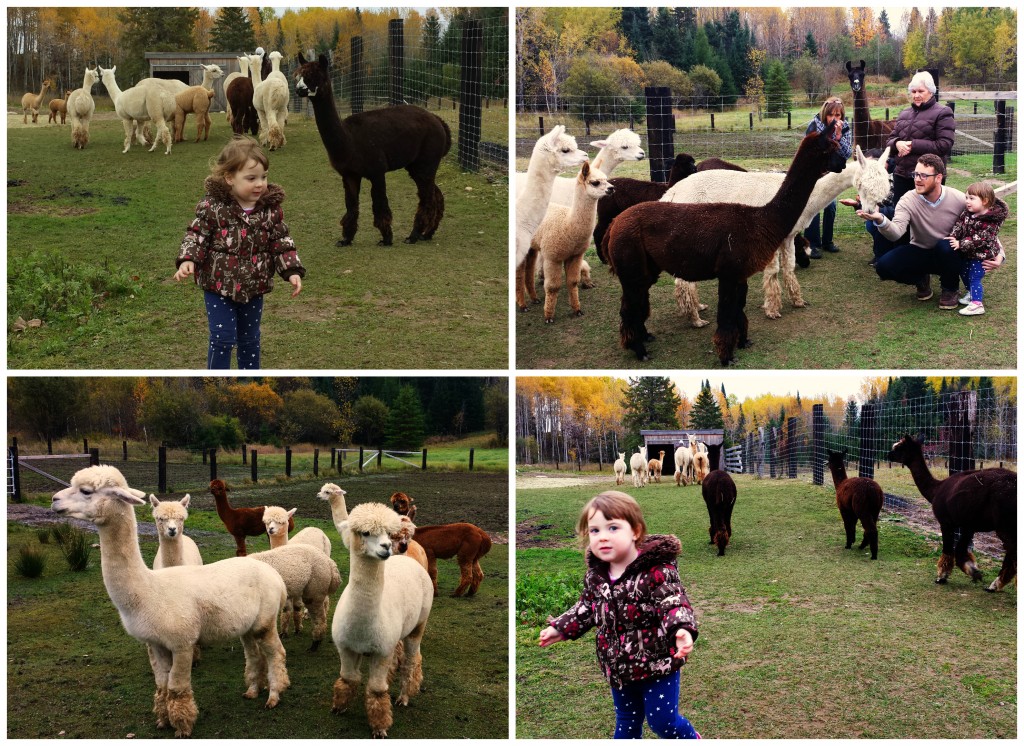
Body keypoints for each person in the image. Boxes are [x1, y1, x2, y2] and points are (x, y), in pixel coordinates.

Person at [538, 491, 701, 739]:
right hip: (619, 667)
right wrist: (561, 627)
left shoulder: (656, 570)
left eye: (613, 528)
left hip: (657, 664)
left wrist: (681, 629)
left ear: (635, 531)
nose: (603, 537)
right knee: (626, 724)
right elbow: (587, 607)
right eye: (594, 530)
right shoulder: (597, 575)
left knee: (663, 723)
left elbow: (673, 601)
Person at [174, 136, 305, 369]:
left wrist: (291, 269)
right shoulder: (213, 207)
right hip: (218, 287)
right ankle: (216, 383)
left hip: (254, 287)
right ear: (229, 178)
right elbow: (196, 234)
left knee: (250, 340)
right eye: (251, 178)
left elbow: (281, 241)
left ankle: (248, 381)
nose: (260, 184)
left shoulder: (269, 211)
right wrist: (188, 259)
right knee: (222, 339)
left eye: (264, 177)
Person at [865, 70, 956, 260]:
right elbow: (890, 140)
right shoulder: (905, 113)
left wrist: (913, 145)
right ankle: (906, 261)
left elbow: (944, 145)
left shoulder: (943, 113)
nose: (916, 95)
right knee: (902, 220)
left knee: (928, 222)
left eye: (920, 91)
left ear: (930, 91)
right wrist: (897, 143)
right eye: (913, 91)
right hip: (902, 175)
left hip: (929, 179)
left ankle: (934, 261)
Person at [858, 154, 967, 309]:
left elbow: (981, 224)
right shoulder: (908, 199)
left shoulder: (958, 198)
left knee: (946, 246)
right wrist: (880, 219)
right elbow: (896, 232)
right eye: (915, 174)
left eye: (923, 175)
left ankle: (950, 289)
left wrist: (999, 254)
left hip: (948, 253)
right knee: (883, 267)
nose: (917, 179)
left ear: (938, 178)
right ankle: (920, 279)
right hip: (920, 249)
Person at [948, 181, 1009, 316]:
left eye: (971, 198)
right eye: (966, 198)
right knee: (964, 273)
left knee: (975, 277)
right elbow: (959, 224)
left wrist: (961, 243)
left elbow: (982, 239)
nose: (967, 201)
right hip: (969, 253)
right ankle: (971, 293)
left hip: (983, 255)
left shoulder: (991, 220)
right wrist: (953, 236)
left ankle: (977, 304)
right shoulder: (968, 212)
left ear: (985, 201)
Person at [803, 97, 853, 258]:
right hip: (813, 171)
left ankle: (827, 241)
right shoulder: (814, 126)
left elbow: (846, 154)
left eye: (838, 115)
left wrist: (838, 136)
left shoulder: (845, 128)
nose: (834, 118)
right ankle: (812, 244)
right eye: (831, 115)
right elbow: (811, 150)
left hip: (832, 172)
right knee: (814, 207)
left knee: (830, 207)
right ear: (825, 114)